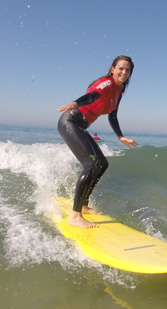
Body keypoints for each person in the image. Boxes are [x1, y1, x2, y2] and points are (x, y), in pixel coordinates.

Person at [57, 55, 138, 228]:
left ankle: (83, 205)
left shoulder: (120, 90)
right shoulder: (106, 84)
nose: (124, 72)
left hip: (80, 126)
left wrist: (120, 136)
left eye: (127, 70)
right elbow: (92, 96)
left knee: (102, 164)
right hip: (70, 122)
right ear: (112, 69)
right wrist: (75, 102)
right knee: (91, 165)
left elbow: (113, 115)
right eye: (120, 68)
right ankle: (75, 216)